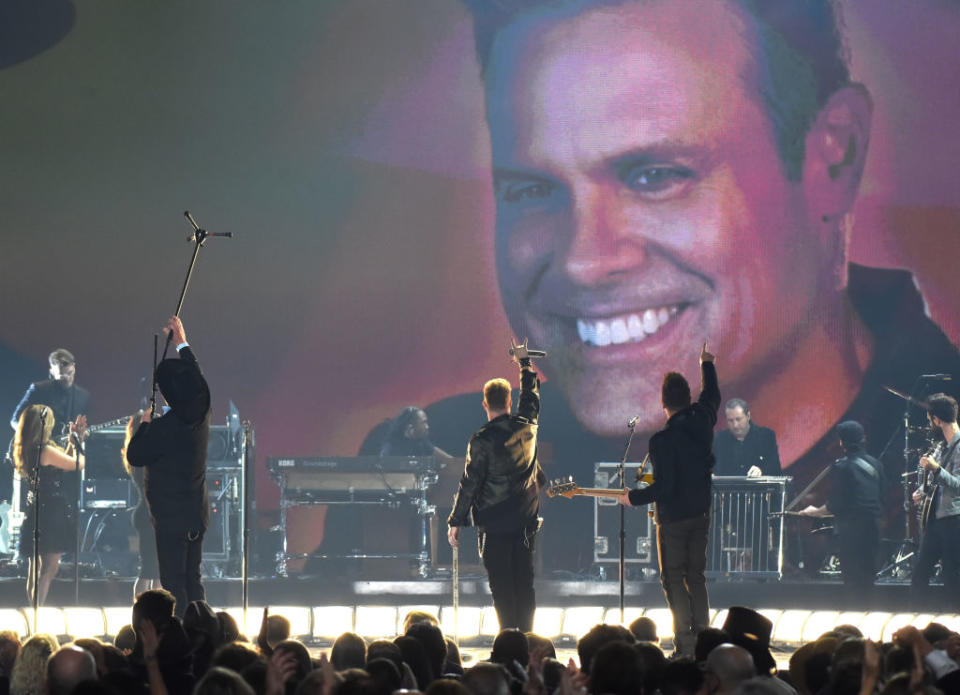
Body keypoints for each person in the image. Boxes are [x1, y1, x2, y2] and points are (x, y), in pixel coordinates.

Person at [415, 0, 960, 574]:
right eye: (532, 190)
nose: (582, 261)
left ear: (834, 158)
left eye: (655, 176)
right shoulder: (446, 449)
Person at [617, 343, 719, 656]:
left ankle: (685, 646)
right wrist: (706, 363)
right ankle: (703, 643)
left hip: (674, 519)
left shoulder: (662, 440)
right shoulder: (702, 419)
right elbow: (712, 394)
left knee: (674, 578)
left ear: (664, 404)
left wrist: (633, 497)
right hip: (701, 512)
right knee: (696, 577)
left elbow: (665, 486)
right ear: (688, 398)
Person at [447, 339, 544, 632]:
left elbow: (471, 482)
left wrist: (455, 520)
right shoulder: (527, 424)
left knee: (501, 587)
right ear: (509, 402)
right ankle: (527, 640)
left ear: (485, 404)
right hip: (525, 521)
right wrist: (525, 364)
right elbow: (532, 394)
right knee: (524, 583)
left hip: (494, 525)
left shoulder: (481, 440)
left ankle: (509, 640)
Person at [127, 316, 212, 617]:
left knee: (175, 582)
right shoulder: (202, 411)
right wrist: (182, 343)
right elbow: (197, 381)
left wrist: (145, 425)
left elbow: (135, 455)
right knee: (194, 579)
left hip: (171, 520)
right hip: (196, 514)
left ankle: (184, 639)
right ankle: (204, 632)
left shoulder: (165, 429)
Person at [798, 421, 884, 605]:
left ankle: (853, 622)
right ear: (863, 439)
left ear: (841, 443)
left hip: (851, 531)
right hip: (874, 529)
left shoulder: (841, 467)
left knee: (852, 582)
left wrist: (815, 512)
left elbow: (834, 506)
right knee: (868, 580)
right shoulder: (876, 464)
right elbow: (882, 496)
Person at [12, 403, 87, 605]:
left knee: (34, 568)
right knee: (50, 568)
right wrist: (80, 441)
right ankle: (38, 609)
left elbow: (63, 461)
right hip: (51, 512)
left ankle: (33, 609)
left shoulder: (27, 448)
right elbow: (78, 464)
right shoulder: (44, 450)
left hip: (36, 508)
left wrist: (72, 442)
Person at [909, 393, 960, 609]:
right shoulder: (942, 447)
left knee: (952, 576)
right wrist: (921, 491)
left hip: (953, 519)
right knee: (920, 574)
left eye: (930, 420)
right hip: (936, 519)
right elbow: (933, 479)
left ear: (937, 420)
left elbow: (958, 484)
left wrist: (936, 468)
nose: (930, 425)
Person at [121, 413, 160, 601]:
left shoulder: (138, 452)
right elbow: (147, 488)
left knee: (153, 569)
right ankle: (142, 611)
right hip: (150, 514)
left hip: (147, 512)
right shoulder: (142, 456)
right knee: (150, 570)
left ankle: (151, 611)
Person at [713, 399, 782, 478]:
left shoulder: (766, 436)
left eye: (738, 419)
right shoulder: (719, 439)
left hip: (758, 488)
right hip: (727, 489)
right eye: (730, 420)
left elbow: (776, 468)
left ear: (748, 416)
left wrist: (761, 470)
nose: (735, 425)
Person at [380, 407, 454, 459]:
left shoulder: (422, 443)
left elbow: (450, 460)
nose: (427, 427)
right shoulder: (391, 447)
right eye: (423, 423)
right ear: (410, 427)